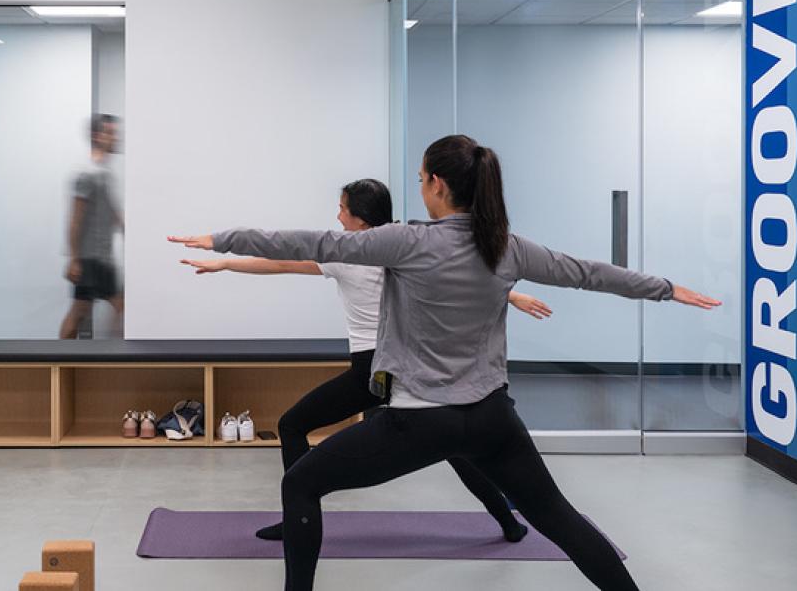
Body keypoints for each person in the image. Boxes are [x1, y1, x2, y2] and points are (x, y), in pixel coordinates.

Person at [170, 134, 720, 591]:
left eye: (420, 179)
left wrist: (221, 239)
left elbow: (308, 241)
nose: (420, 188)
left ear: (436, 184)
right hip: (490, 418)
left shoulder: (407, 242)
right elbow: (590, 272)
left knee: (302, 485)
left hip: (418, 421)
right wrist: (666, 288)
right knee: (558, 517)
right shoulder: (508, 247)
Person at [180, 178, 552, 543]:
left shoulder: (349, 253)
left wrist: (226, 264)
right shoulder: (404, 246)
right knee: (455, 448)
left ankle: (297, 515)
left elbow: (282, 263)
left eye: (342, 209)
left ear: (360, 219)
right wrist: (513, 298)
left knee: (292, 424)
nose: (338, 216)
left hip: (371, 370)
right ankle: (509, 524)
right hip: (406, 367)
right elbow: (455, 277)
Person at [59, 114, 125, 339]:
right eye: (111, 133)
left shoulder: (105, 174)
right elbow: (75, 219)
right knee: (88, 310)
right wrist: (74, 259)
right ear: (98, 136)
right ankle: (60, 360)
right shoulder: (87, 173)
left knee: (85, 309)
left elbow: (113, 214)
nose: (116, 138)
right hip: (90, 259)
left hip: (102, 257)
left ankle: (111, 355)